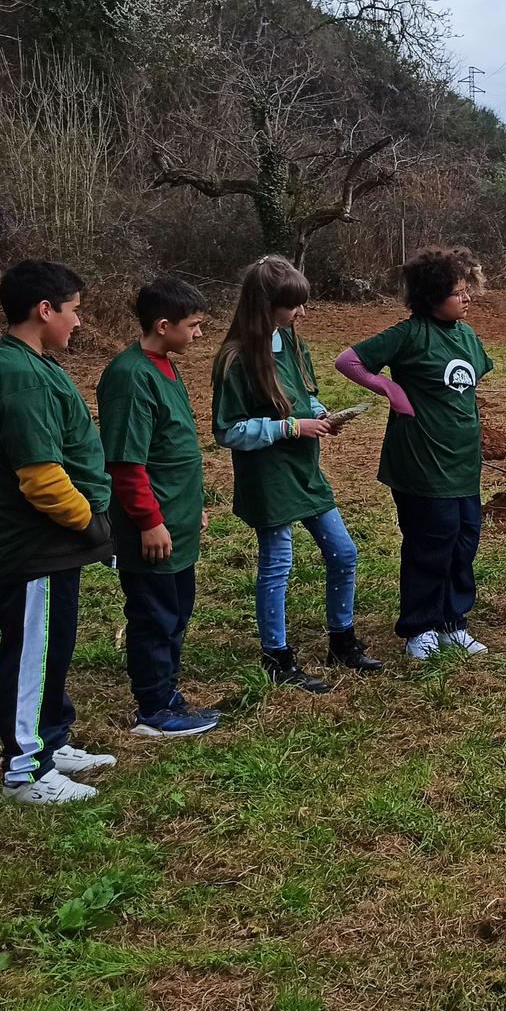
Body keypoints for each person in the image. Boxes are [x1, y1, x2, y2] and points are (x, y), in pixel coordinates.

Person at [0, 261, 117, 804]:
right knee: (31, 651)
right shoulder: (15, 374)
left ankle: (51, 739)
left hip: (52, 543)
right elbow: (41, 478)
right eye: (74, 310)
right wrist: (90, 522)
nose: (79, 322)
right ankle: (25, 769)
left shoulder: (27, 363)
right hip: (32, 544)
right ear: (44, 310)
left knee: (51, 646)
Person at [212, 255, 378, 693]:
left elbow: (305, 398)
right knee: (278, 564)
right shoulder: (235, 359)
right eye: (293, 305)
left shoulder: (294, 345)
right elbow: (229, 430)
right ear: (266, 304)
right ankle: (277, 657)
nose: (301, 313)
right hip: (268, 476)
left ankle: (342, 641)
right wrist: (290, 427)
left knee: (343, 552)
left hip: (306, 470)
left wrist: (323, 416)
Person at [336, 246, 493, 661]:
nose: (467, 298)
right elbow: (349, 360)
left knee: (463, 541)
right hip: (422, 463)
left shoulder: (467, 336)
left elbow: (470, 386)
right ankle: (418, 628)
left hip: (461, 463)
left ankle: (453, 623)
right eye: (458, 292)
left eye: (466, 290)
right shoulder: (408, 334)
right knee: (431, 542)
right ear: (431, 297)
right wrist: (390, 389)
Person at [98, 276, 219, 737]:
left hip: (177, 520)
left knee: (176, 609)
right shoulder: (131, 377)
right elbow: (127, 464)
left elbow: (173, 451)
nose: (199, 334)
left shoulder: (165, 364)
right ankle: (154, 709)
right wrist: (150, 522)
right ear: (163, 325)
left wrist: (192, 509)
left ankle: (169, 694)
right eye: (194, 325)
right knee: (154, 614)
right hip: (153, 529)